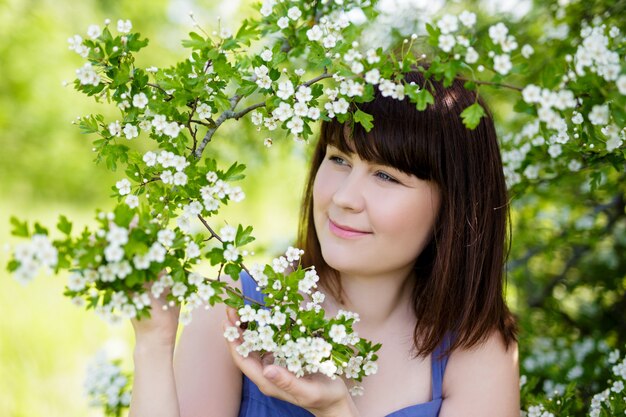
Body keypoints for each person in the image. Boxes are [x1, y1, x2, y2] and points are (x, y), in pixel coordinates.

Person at [128, 70, 520, 417]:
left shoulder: (475, 348)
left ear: (453, 203)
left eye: (386, 176)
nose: (345, 197)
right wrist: (154, 341)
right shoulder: (235, 310)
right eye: (339, 160)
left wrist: (335, 411)